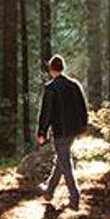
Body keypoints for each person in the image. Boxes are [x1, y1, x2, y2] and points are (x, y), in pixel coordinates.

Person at [36, 54, 89, 210]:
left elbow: (46, 112)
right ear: (63, 68)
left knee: (65, 162)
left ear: (51, 70)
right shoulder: (74, 85)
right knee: (62, 159)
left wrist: (42, 132)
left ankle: (75, 196)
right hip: (73, 131)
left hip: (60, 131)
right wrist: (83, 127)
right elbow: (83, 108)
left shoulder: (50, 88)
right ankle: (49, 191)